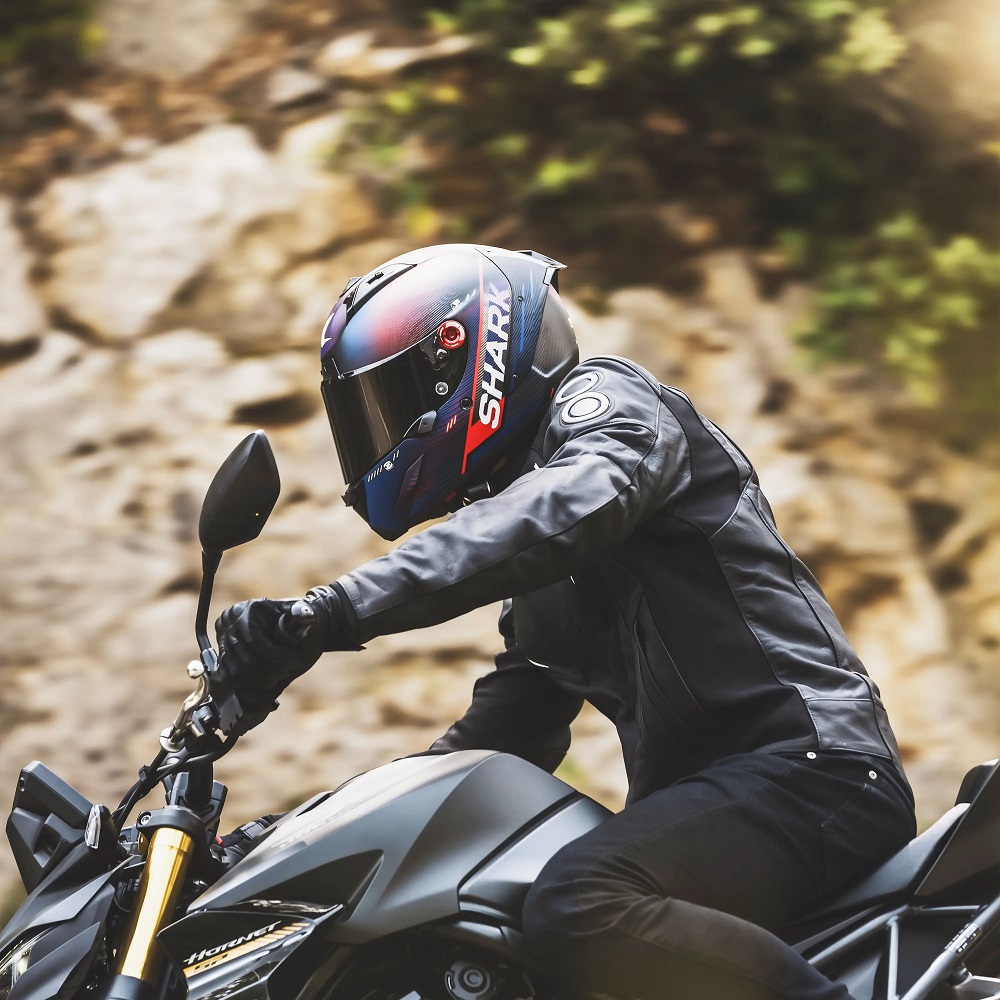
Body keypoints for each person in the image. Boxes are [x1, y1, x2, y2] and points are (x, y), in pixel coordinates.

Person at [215, 243, 917, 1000]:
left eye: (396, 398)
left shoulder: (614, 410)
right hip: (715, 807)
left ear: (468, 356)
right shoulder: (542, 575)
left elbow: (565, 507)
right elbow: (500, 737)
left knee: (578, 901)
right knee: (498, 924)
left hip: (815, 771)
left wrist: (332, 610)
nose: (382, 431)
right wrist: (297, 834)